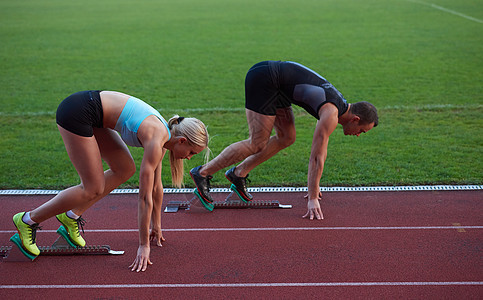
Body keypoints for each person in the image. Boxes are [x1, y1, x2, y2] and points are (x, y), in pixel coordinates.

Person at [12, 90, 209, 272]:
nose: (189, 157)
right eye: (192, 152)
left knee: (125, 169)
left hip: (93, 115)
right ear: (182, 140)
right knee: (92, 188)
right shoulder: (157, 138)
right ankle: (28, 220)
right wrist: (143, 245)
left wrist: (156, 225)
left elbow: (156, 188)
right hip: (77, 112)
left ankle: (70, 216)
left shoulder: (165, 137)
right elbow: (144, 197)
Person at [190, 60, 378, 219]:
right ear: (355, 119)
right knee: (257, 142)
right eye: (362, 130)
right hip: (266, 79)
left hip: (279, 87)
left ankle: (238, 173)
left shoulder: (337, 106)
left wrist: (315, 185)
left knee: (287, 137)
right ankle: (203, 173)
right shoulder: (331, 113)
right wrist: (313, 197)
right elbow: (316, 157)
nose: (359, 134)